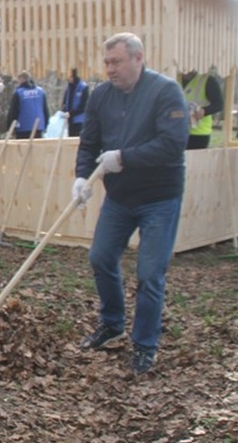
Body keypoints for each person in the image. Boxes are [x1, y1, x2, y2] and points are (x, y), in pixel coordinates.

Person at [73, 32, 189, 375]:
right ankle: (112, 323)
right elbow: (88, 142)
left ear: (138, 58)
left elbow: (173, 144)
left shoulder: (165, 91)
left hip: (159, 197)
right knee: (101, 256)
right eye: (107, 62)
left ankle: (145, 344)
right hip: (120, 197)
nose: (109, 69)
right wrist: (82, 176)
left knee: (150, 273)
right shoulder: (101, 96)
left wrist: (125, 157)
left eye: (117, 62)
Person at [180, 70, 224, 150]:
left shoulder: (207, 80)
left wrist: (204, 111)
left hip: (198, 133)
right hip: (176, 131)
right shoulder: (173, 78)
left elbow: (219, 104)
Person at [5, 71, 48, 139]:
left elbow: (13, 112)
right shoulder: (40, 92)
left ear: (22, 79)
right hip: (38, 128)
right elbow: (45, 110)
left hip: (22, 128)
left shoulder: (19, 93)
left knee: (23, 149)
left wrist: (9, 128)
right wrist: (45, 125)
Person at [61, 68, 90, 137]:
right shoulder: (69, 88)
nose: (68, 79)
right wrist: (64, 110)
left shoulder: (83, 87)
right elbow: (65, 102)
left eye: (70, 77)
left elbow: (84, 105)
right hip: (70, 120)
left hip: (80, 120)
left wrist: (71, 113)